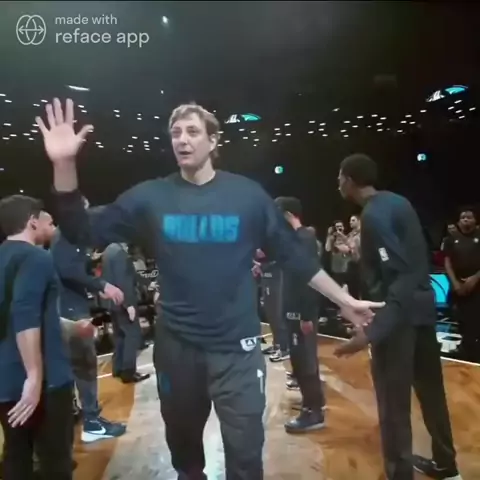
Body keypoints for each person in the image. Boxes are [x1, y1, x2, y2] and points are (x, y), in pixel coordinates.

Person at [36, 98, 383, 480]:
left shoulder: (247, 196)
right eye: (176, 133)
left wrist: (344, 299)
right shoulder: (150, 197)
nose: (182, 139)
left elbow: (294, 257)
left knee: (246, 459)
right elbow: (79, 230)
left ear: (213, 140)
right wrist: (64, 165)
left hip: (237, 350)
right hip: (177, 350)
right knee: (186, 460)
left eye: (192, 131)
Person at [335, 154, 461, 480]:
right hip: (422, 310)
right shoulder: (398, 202)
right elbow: (407, 263)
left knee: (393, 405)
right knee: (432, 393)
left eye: (340, 177)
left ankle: (400, 474)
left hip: (398, 318)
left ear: (350, 179)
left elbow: (399, 273)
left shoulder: (373, 215)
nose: (338, 183)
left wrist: (371, 332)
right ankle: (447, 465)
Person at [0, 195, 93, 480]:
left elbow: (29, 312)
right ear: (32, 222)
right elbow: (24, 313)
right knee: (55, 464)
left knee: (17, 458)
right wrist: (34, 376)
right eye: (46, 220)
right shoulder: (36, 257)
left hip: (5, 382)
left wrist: (71, 328)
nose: (51, 225)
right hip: (44, 385)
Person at [50, 206, 127, 443]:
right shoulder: (66, 236)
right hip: (70, 308)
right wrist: (102, 285)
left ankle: (87, 415)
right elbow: (67, 269)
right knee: (84, 364)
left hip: (72, 304)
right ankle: (91, 423)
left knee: (81, 365)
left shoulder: (71, 237)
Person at [274, 197, 326, 434]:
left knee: (304, 361)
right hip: (293, 310)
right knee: (301, 360)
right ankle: (314, 402)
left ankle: (313, 412)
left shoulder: (304, 238)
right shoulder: (296, 239)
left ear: (287, 215)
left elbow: (310, 278)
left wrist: (306, 315)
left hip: (301, 313)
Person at [101, 242, 150, 383]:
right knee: (132, 335)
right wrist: (128, 304)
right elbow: (124, 281)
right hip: (123, 301)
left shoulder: (109, 249)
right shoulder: (120, 254)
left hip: (112, 302)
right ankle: (128, 371)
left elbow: (130, 275)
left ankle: (118, 368)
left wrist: (147, 282)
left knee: (120, 335)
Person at [443, 208, 480, 362]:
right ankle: (465, 349)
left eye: (469, 217)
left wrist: (475, 278)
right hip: (458, 286)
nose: (465, 220)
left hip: (477, 286)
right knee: (461, 319)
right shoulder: (451, 239)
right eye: (462, 217)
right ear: (458, 222)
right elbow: (447, 262)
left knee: (476, 319)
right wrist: (455, 283)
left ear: (475, 221)